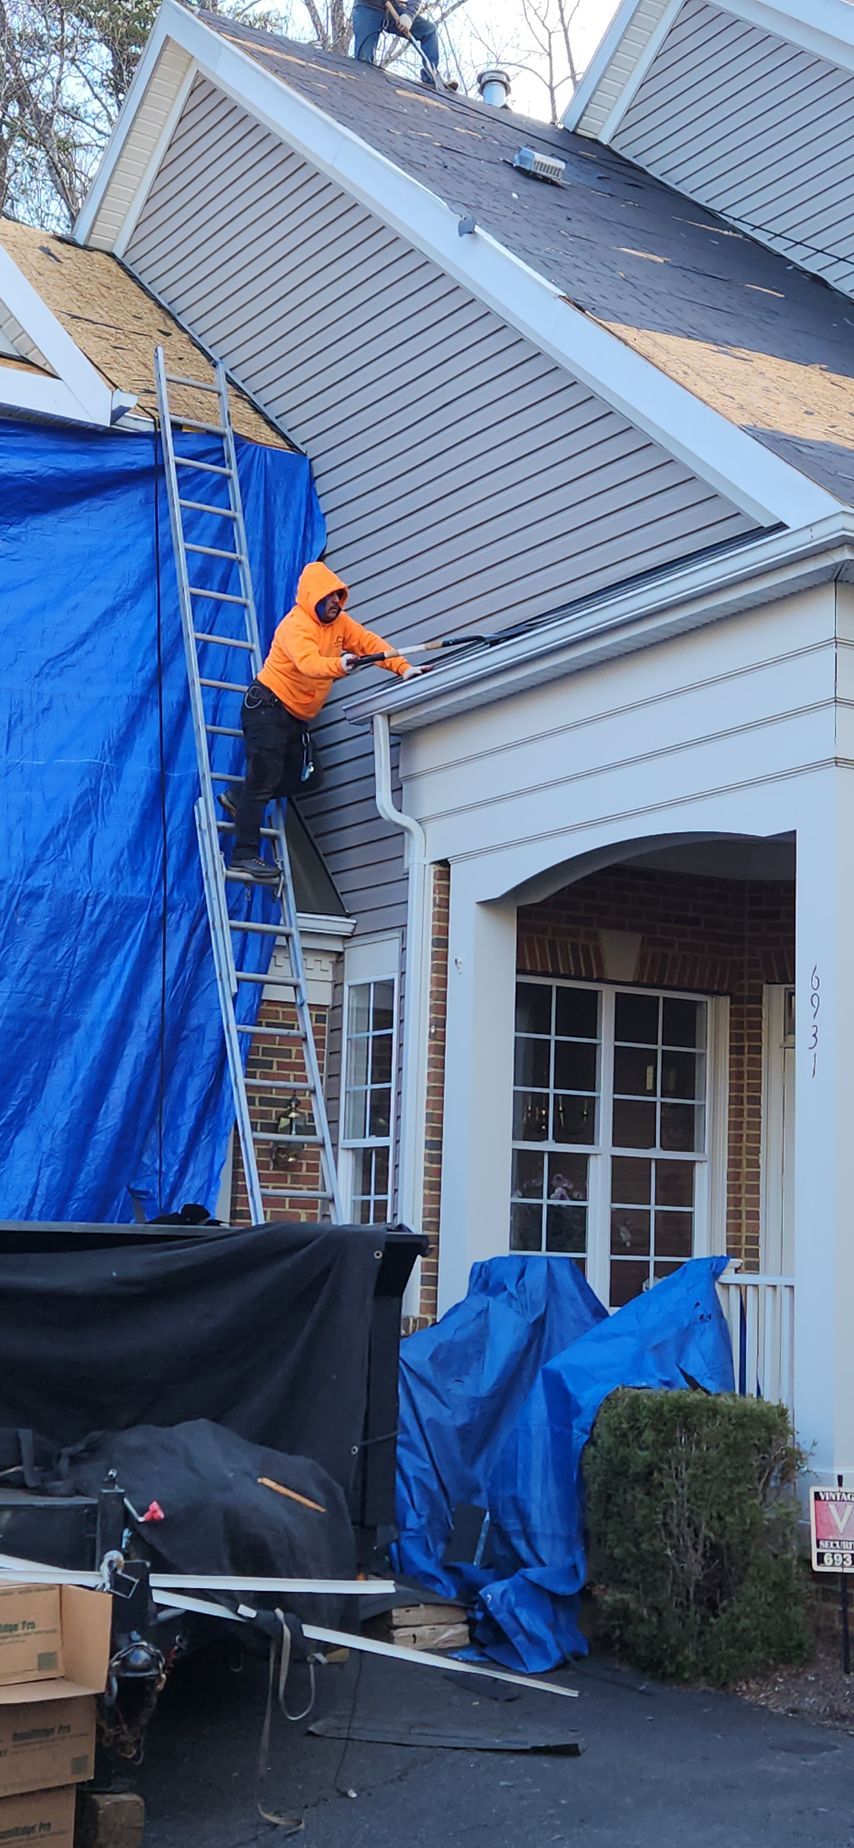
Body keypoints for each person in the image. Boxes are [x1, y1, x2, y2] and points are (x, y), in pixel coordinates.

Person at [223, 561, 420, 883]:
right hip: (267, 709)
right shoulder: (295, 626)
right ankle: (243, 855)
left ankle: (240, 796)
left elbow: (370, 645)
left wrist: (404, 668)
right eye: (329, 597)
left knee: (309, 779)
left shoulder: (340, 624)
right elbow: (308, 663)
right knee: (263, 781)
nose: (335, 603)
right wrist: (340, 664)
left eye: (339, 597)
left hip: (295, 718)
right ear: (313, 597)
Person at [352, 0, 443, 87]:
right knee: (363, 61)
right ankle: (363, 84)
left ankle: (431, 77)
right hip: (368, 6)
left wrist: (408, 16)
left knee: (429, 30)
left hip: (393, 8)